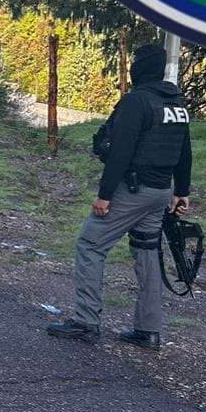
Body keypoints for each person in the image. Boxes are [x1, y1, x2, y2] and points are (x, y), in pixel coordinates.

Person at [48, 41, 192, 350]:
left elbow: (121, 153)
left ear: (139, 68)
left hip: (133, 190)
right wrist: (181, 191)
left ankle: (86, 321)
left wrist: (104, 195)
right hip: (160, 193)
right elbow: (184, 151)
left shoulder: (136, 102)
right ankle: (148, 330)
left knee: (90, 245)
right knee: (147, 253)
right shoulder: (177, 103)